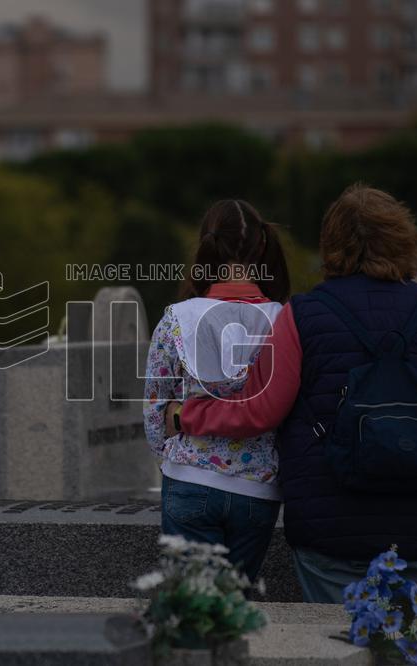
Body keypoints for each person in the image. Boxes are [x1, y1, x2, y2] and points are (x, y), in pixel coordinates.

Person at [167, 184, 417, 604]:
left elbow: (262, 411)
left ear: (332, 244)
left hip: (330, 529)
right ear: (405, 241)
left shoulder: (302, 316)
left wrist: (186, 416)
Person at [143, 199, 291, 582]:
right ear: (262, 246)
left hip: (190, 477)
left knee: (193, 606)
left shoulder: (176, 319)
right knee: (235, 607)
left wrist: (173, 456)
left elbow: (155, 412)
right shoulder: (285, 320)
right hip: (257, 487)